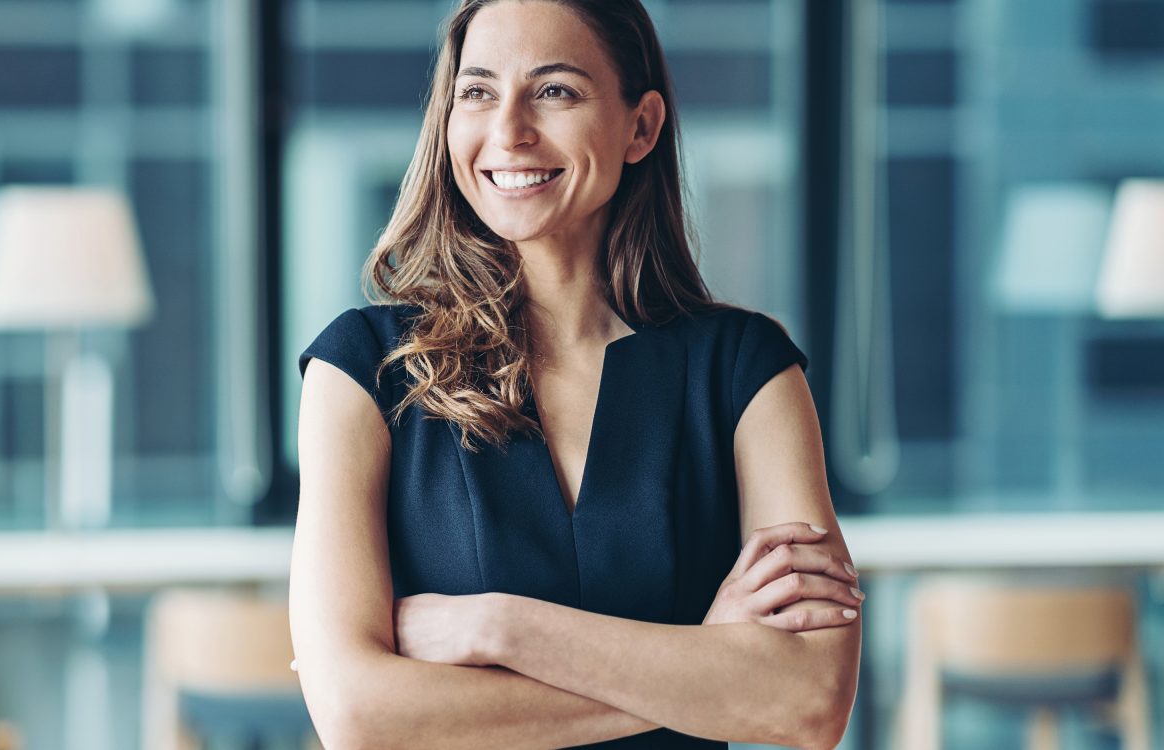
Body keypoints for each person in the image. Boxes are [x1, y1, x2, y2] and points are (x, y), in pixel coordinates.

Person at [289, 1, 861, 747]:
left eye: (555, 91)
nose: (509, 131)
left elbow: (811, 701)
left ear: (641, 127)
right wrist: (709, 673)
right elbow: (357, 715)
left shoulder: (746, 372)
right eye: (478, 92)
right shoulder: (361, 370)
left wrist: (499, 627)